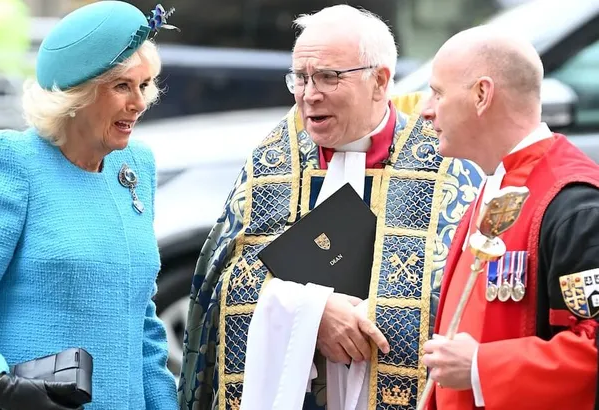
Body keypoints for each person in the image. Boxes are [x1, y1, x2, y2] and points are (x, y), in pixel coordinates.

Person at [178, 5, 483, 410]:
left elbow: (468, 292)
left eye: (328, 77)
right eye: (300, 78)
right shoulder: (274, 163)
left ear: (380, 80)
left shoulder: (444, 163)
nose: (309, 94)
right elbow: (222, 285)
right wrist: (309, 314)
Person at [0, 2, 179, 409]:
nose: (139, 102)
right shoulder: (14, 161)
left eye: (144, 85)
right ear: (77, 92)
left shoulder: (136, 166)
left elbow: (140, 318)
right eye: (122, 87)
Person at [420, 25, 599, 410]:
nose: (425, 110)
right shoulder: (493, 185)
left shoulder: (575, 206)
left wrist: (481, 368)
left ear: (482, 95)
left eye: (437, 93)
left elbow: (593, 346)